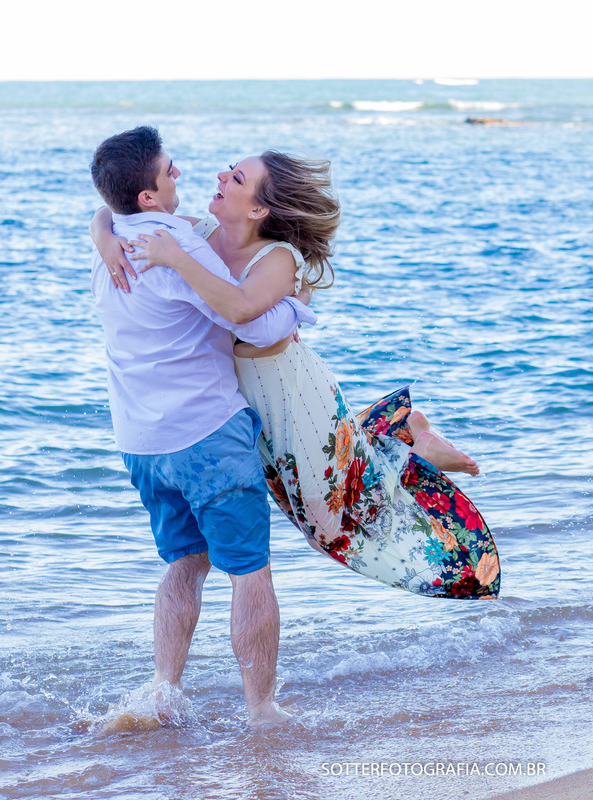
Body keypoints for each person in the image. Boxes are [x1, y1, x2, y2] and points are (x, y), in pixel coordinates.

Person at [93, 151, 501, 599]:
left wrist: (177, 260)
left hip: (288, 392)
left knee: (330, 521)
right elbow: (117, 209)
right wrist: (103, 237)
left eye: (236, 178)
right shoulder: (198, 232)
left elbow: (244, 313)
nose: (221, 176)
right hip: (240, 403)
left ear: (258, 209)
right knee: (324, 506)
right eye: (230, 169)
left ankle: (416, 448)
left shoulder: (277, 258)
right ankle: (405, 433)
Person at [88, 127, 314, 727]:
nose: (183, 175)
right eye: (170, 171)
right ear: (147, 195)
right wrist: (295, 310)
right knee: (249, 569)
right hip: (206, 433)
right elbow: (250, 321)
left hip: (139, 442)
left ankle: (163, 692)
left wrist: (102, 230)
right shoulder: (178, 244)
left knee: (185, 563)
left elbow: (103, 214)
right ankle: (261, 710)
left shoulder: (116, 238)